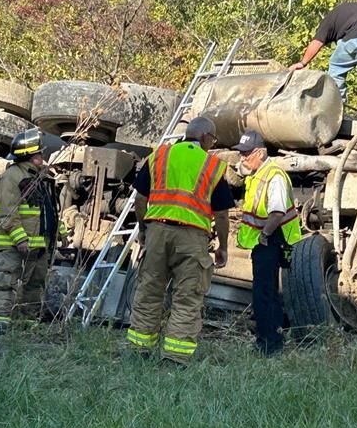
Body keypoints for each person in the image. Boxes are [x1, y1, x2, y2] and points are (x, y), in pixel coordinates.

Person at [126, 116, 232, 365]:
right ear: (205, 137)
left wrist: (144, 229)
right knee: (187, 297)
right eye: (213, 140)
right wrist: (223, 247)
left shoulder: (159, 156)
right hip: (192, 238)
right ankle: (174, 358)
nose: (212, 144)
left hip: (157, 233)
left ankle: (139, 351)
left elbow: (140, 200)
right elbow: (222, 213)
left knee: (149, 291)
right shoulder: (211, 165)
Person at [231, 131, 302, 356]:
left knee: (265, 294)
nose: (242, 158)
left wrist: (264, 236)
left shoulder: (274, 175)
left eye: (247, 154)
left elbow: (277, 212)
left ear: (260, 152)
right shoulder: (258, 173)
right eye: (241, 153)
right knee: (266, 292)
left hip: (271, 241)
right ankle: (269, 341)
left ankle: (269, 345)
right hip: (267, 241)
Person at [0, 128, 62, 326]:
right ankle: (0, 322)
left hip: (38, 245)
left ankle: (29, 322)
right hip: (14, 244)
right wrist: (20, 238)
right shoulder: (11, 177)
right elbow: (8, 212)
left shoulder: (40, 178)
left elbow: (46, 210)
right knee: (5, 283)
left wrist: (58, 232)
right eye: (39, 152)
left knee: (35, 285)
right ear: (30, 155)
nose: (42, 156)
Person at [289, 1, 357, 103]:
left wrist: (302, 63)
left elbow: (317, 42)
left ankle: (336, 109)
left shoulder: (329, 19)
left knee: (336, 66)